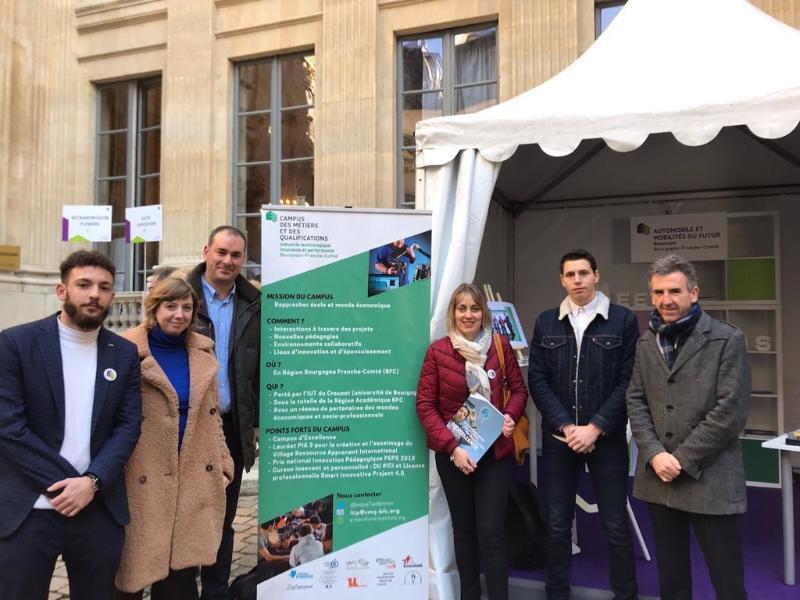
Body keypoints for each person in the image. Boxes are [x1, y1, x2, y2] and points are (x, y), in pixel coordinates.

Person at [0, 250, 142, 600]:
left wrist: (91, 483)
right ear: (62, 290)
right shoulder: (16, 343)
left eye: (104, 287)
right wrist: (72, 484)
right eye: (84, 284)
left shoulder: (122, 353)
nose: (94, 293)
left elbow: (128, 427)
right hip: (28, 511)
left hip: (97, 511)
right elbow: (9, 429)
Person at [626, 255, 749, 600]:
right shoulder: (646, 342)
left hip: (710, 479)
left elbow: (731, 411)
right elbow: (635, 401)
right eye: (659, 291)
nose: (667, 299)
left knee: (727, 579)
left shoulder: (727, 339)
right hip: (659, 481)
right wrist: (653, 454)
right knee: (672, 579)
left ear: (694, 293)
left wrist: (679, 460)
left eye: (675, 291)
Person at [114, 277, 234, 599]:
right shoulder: (125, 352)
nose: (179, 314)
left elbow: (212, 417)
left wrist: (223, 462)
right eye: (170, 306)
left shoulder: (202, 353)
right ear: (154, 309)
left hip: (192, 479)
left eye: (186, 307)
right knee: (131, 576)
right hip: (141, 481)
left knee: (180, 583)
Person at [528, 249, 638, 600]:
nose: (577, 280)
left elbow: (629, 380)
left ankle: (626, 595)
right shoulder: (546, 322)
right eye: (570, 274)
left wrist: (595, 427)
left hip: (606, 440)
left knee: (616, 525)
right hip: (561, 440)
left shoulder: (622, 320)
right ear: (561, 280)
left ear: (596, 275)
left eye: (583, 273)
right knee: (558, 525)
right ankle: (556, 594)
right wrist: (566, 426)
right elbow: (538, 380)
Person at [416, 283, 527, 600]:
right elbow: (425, 406)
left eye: (474, 308)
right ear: (453, 313)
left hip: (495, 454)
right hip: (455, 458)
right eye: (462, 308)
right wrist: (453, 448)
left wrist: (510, 417)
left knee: (492, 533)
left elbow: (519, 391)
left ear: (483, 313)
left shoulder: (500, 346)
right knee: (463, 532)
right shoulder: (438, 351)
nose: (468, 315)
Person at [187, 225, 260, 600]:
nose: (227, 261)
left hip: (231, 427)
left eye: (235, 255)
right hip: (188, 427)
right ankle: (181, 588)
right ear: (206, 251)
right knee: (186, 516)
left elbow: (260, 369)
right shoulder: (182, 299)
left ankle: (214, 592)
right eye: (221, 252)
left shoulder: (253, 305)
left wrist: (257, 425)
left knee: (224, 519)